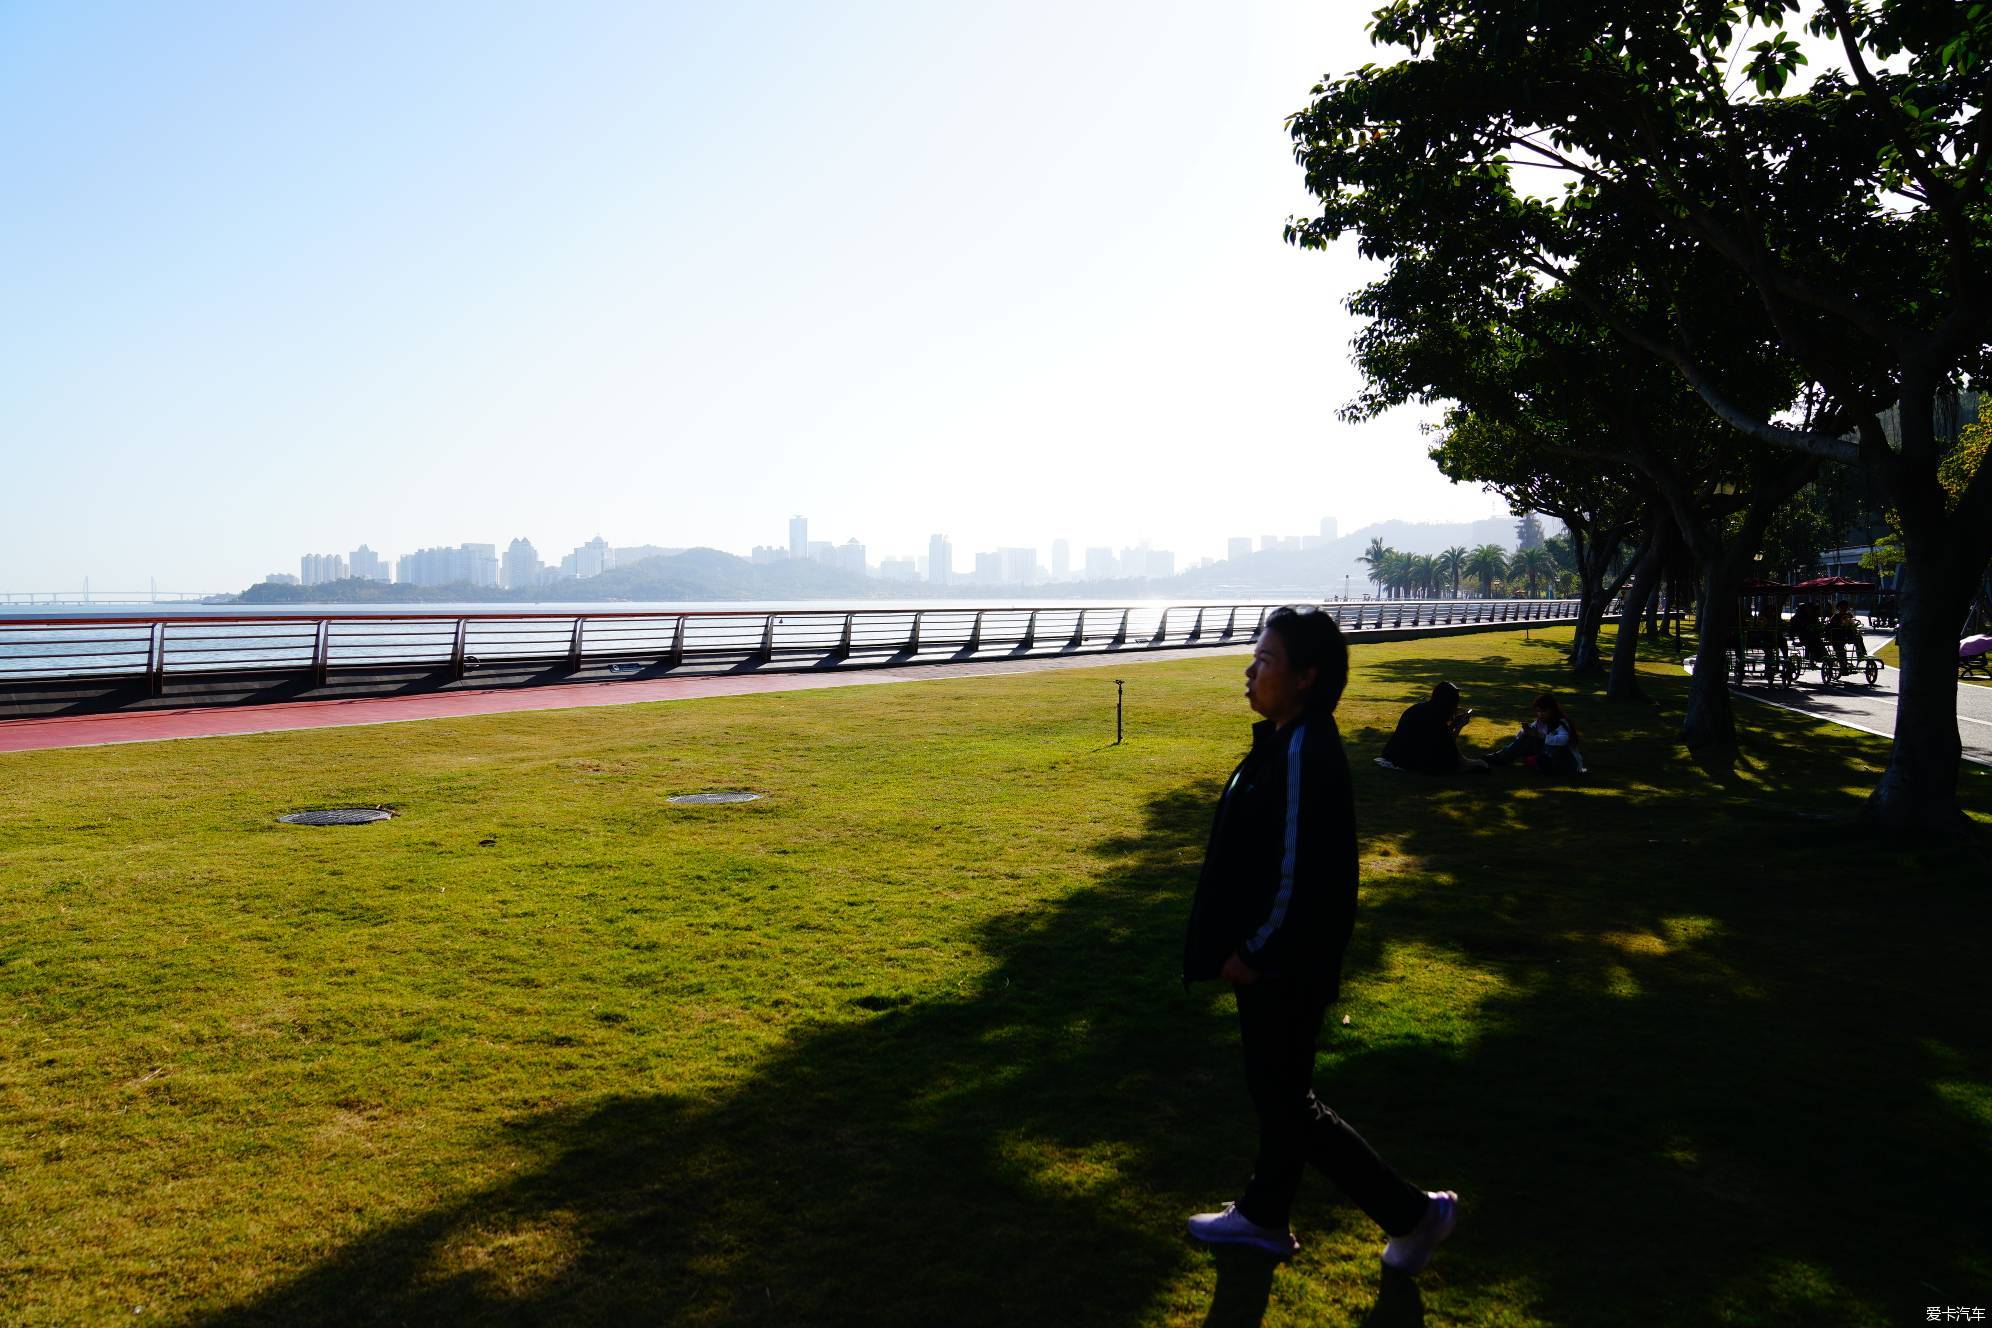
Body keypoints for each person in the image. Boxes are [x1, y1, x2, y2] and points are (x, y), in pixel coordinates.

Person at [1181, 606, 1458, 1272]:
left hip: (1284, 965)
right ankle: (1264, 1216)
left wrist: (1256, 951)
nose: (1250, 670)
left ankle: (1415, 1214)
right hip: (1273, 960)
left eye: (1265, 660)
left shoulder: (1305, 746)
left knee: (1288, 1101)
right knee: (1278, 1094)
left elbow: (1300, 869)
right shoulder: (1284, 738)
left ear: (1306, 678)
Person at [1379, 680, 1486, 773]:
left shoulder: (1420, 708)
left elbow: (1439, 738)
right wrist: (1458, 727)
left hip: (1395, 754)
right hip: (1413, 760)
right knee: (1477, 764)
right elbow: (1447, 746)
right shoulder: (1436, 717)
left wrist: (1453, 725)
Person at [1485, 693, 1585, 775]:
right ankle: (1500, 757)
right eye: (1538, 711)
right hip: (1549, 756)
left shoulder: (1560, 722)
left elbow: (1563, 740)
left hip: (1566, 761)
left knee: (1538, 744)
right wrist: (1526, 731)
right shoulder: (1540, 722)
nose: (1540, 714)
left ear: (1552, 710)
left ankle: (1534, 762)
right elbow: (1519, 738)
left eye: (1544, 711)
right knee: (1526, 739)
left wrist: (1539, 736)